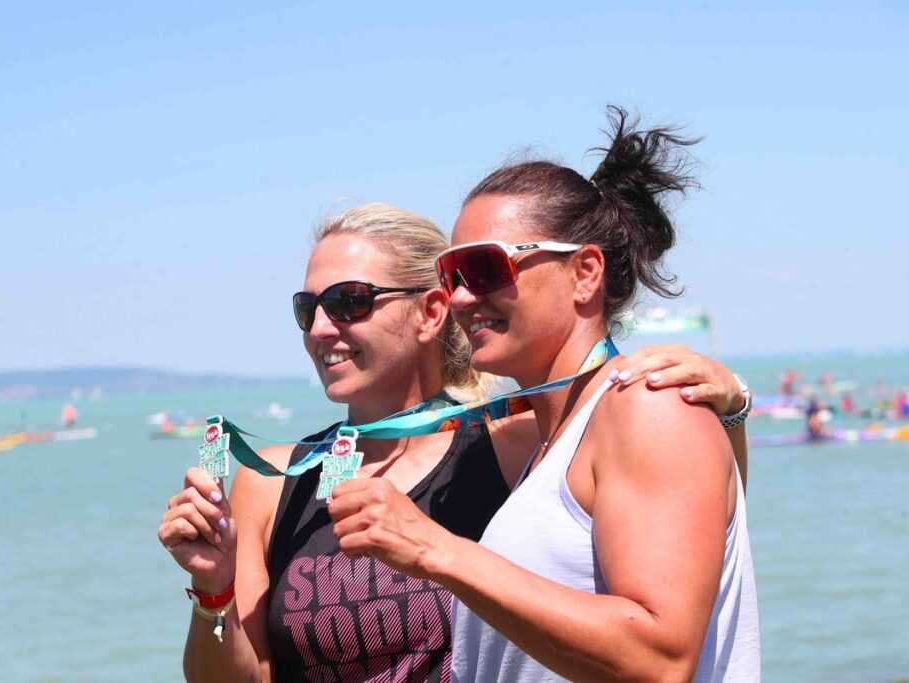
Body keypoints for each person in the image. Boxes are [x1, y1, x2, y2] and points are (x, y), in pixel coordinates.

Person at [159, 204, 750, 682]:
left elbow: (692, 532)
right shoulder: (271, 482)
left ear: (432, 312)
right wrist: (213, 591)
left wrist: (728, 410)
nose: (319, 329)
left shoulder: (515, 444)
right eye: (306, 308)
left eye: (348, 302)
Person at [328, 108, 759, 681]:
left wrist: (436, 551)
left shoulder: (646, 406)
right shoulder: (554, 438)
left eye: (485, 268)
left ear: (585, 273)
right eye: (451, 276)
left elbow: (660, 659)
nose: (461, 298)